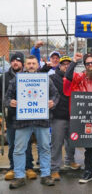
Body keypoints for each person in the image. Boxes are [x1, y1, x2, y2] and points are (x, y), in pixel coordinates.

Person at [6, 55, 59, 189]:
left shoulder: (45, 79)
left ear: (38, 65)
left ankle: (46, 175)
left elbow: (56, 95)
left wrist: (52, 102)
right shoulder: (17, 80)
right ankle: (19, 177)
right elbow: (6, 98)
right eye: (28, 63)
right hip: (23, 121)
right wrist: (10, 102)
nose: (31, 66)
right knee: (19, 149)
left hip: (42, 120)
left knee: (45, 148)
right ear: (25, 65)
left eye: (33, 63)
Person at [63, 52, 92, 184]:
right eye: (87, 63)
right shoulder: (80, 78)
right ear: (85, 66)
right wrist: (74, 62)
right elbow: (67, 78)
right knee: (89, 148)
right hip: (86, 117)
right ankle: (88, 173)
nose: (90, 65)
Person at [0, 52, 36, 180]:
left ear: (22, 63)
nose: (15, 62)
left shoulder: (28, 76)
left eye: (18, 61)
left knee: (26, 143)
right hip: (11, 117)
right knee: (12, 143)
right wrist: (8, 103)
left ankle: (28, 167)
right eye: (13, 60)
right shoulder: (4, 77)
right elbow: (2, 97)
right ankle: (13, 168)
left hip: (26, 116)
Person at [50, 56, 81, 181]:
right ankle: (54, 168)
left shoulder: (75, 77)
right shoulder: (53, 78)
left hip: (72, 115)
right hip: (58, 117)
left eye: (69, 64)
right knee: (57, 144)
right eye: (64, 64)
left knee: (72, 141)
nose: (66, 66)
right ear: (59, 66)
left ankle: (70, 161)